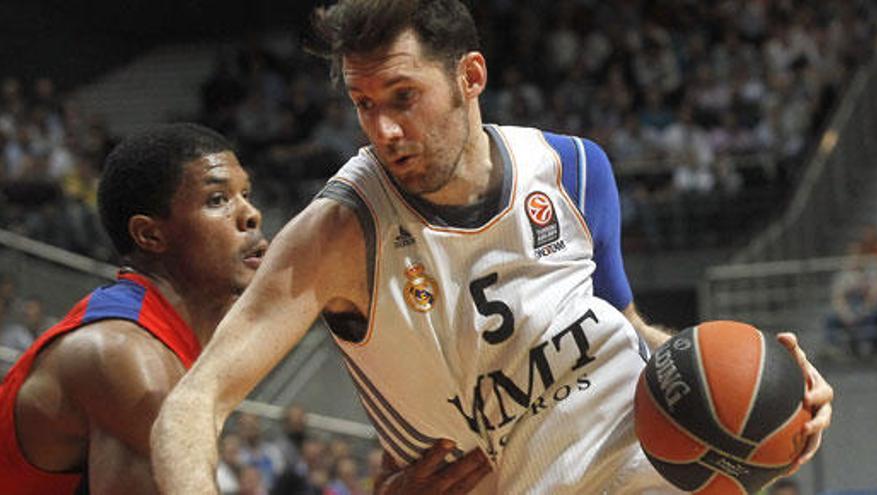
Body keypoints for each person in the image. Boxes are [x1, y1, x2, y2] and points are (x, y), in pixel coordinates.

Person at [151, 2, 833, 494]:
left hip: (650, 474)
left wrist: (764, 413)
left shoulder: (575, 168)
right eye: (363, 103)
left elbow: (627, 331)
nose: (384, 128)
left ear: (470, 76)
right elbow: (190, 406)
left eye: (403, 95)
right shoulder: (338, 232)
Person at [0, 123, 267, 493]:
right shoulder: (124, 356)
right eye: (218, 199)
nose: (251, 214)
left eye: (246, 194)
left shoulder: (165, 338)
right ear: (150, 235)